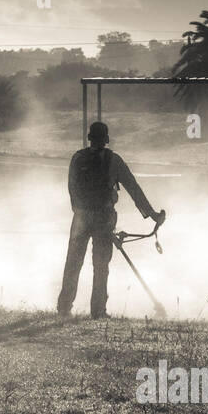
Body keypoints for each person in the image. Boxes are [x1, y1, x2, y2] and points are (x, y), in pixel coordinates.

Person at [57, 121, 166, 318]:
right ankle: (98, 311)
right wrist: (152, 215)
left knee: (73, 263)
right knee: (100, 265)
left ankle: (64, 308)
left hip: (81, 218)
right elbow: (133, 188)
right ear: (106, 139)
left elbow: (72, 188)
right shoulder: (113, 160)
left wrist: (80, 211)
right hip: (103, 218)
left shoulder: (78, 158)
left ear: (90, 138)